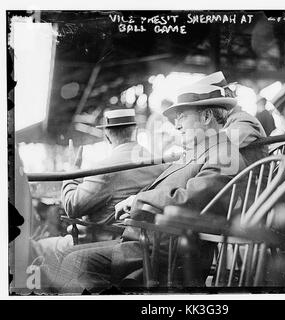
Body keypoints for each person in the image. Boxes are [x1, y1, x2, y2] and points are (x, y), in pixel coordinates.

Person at [48, 75, 249, 293]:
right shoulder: (201, 153)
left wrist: (136, 201)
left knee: (73, 263)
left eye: (182, 116)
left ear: (207, 116)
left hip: (164, 255)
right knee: (69, 258)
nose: (177, 124)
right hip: (149, 243)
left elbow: (190, 201)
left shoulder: (224, 155)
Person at [61, 109, 168, 242]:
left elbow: (72, 206)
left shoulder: (104, 168)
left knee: (51, 247)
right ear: (135, 130)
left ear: (107, 135)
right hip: (145, 239)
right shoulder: (158, 162)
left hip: (107, 241)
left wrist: (72, 171)